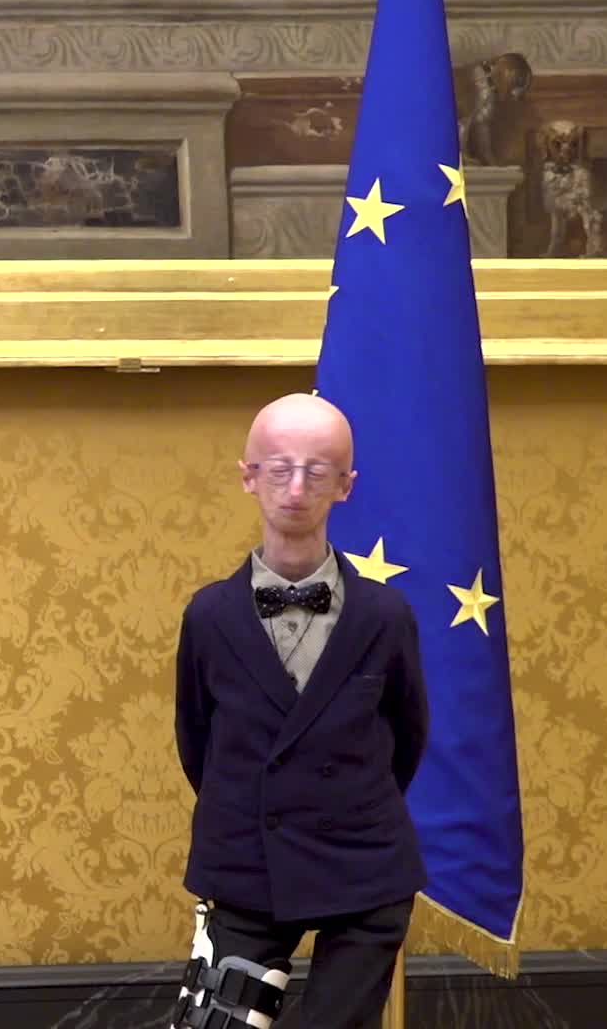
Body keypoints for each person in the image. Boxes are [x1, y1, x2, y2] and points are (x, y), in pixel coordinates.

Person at [170, 393, 429, 1029]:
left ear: (346, 485)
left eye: (316, 471)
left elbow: (406, 737)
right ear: (247, 476)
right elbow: (198, 741)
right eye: (279, 468)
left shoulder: (385, 616)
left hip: (364, 865)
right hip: (245, 859)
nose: (295, 488)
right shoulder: (209, 615)